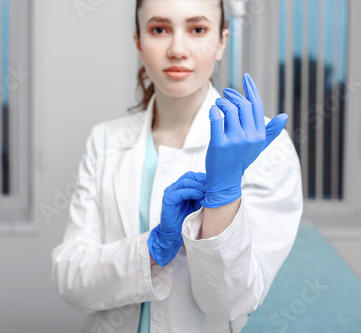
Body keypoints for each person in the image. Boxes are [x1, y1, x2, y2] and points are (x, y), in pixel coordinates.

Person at [51, 0, 303, 332]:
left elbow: (231, 302)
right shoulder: (105, 141)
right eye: (159, 30)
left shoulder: (266, 148)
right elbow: (70, 279)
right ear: (139, 42)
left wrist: (224, 199)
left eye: (197, 29)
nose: (177, 49)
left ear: (222, 41)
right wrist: (153, 249)